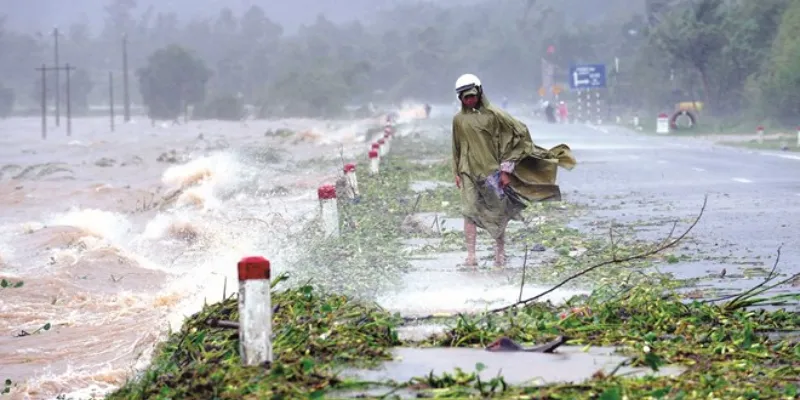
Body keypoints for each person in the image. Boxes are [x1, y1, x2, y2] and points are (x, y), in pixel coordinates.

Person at [451, 73, 576, 267]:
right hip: (468, 171)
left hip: (492, 172)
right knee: (468, 211)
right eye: (465, 97)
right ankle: (471, 255)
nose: (469, 100)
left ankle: (500, 253)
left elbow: (519, 136)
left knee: (499, 211)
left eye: (472, 95)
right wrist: (456, 172)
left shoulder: (495, 115)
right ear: (460, 98)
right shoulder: (458, 120)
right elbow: (456, 146)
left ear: (479, 93)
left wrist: (506, 170)